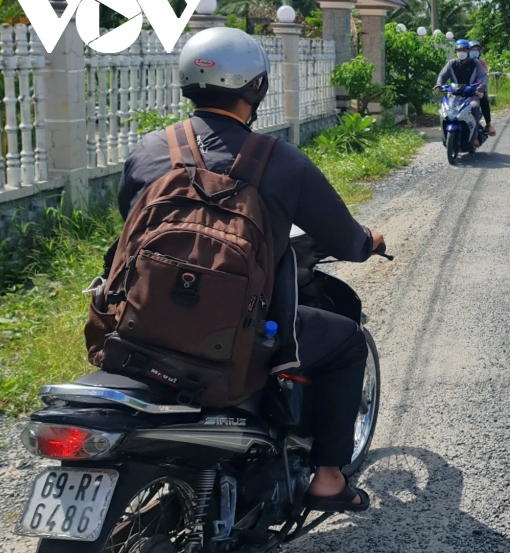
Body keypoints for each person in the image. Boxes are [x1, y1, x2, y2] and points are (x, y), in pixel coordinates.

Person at [117, 27, 381, 512]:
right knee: (344, 341)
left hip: (140, 325)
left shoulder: (150, 150)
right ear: (256, 88)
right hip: (239, 333)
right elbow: (346, 239)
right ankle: (326, 479)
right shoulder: (282, 163)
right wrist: (370, 242)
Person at [435, 39, 487, 146]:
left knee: (474, 107)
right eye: (458, 50)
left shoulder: (475, 63)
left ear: (468, 51)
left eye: (463, 49)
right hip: (454, 94)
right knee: (444, 110)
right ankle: (444, 135)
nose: (461, 52)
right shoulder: (452, 63)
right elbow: (442, 76)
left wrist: (481, 87)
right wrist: (439, 84)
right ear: (455, 51)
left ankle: (475, 136)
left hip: (471, 94)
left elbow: (483, 76)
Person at [469, 40, 496, 137]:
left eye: (477, 49)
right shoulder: (463, 63)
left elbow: (483, 75)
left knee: (484, 99)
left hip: (477, 88)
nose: (475, 51)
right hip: (464, 88)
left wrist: (480, 86)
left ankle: (488, 124)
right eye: (472, 49)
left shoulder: (482, 63)